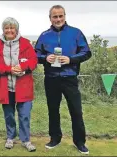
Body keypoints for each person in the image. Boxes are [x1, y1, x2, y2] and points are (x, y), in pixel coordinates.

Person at [35, 5, 92, 154]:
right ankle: (55, 138)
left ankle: (79, 142)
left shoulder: (76, 33)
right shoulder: (44, 35)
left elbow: (86, 52)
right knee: (53, 110)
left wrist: (70, 59)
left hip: (70, 77)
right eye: (55, 16)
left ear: (65, 16)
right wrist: (45, 58)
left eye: (60, 16)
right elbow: (35, 55)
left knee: (76, 111)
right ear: (50, 18)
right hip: (51, 78)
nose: (58, 19)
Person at [0, 17, 37, 152]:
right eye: (6, 28)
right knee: (9, 114)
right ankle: (10, 137)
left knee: (25, 115)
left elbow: (33, 61)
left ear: (16, 29)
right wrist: (9, 69)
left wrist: (22, 66)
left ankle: (26, 140)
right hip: (5, 87)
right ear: (3, 30)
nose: (9, 30)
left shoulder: (26, 43)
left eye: (12, 28)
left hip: (23, 86)